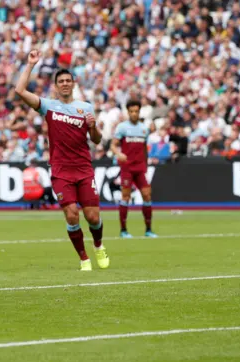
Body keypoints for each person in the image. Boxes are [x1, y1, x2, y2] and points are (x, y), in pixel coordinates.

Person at [15, 50, 109, 271]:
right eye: (61, 81)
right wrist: (30, 65)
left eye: (68, 81)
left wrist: (93, 126)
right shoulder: (48, 106)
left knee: (93, 216)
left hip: (84, 168)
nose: (65, 84)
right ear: (55, 86)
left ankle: (98, 245)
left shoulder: (85, 108)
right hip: (60, 170)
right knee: (71, 215)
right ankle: (84, 257)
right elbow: (19, 90)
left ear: (73, 84)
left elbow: (97, 140)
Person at [110, 100, 157, 238]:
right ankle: (123, 230)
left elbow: (144, 148)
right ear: (128, 112)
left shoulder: (144, 129)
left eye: (136, 111)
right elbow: (113, 145)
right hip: (127, 168)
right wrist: (119, 153)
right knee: (126, 197)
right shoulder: (122, 128)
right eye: (131, 111)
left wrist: (146, 165)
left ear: (139, 111)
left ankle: (148, 230)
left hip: (140, 167)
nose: (134, 114)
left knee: (147, 195)